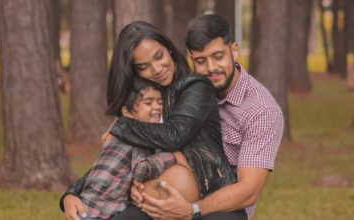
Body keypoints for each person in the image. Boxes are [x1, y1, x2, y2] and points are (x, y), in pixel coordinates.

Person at [60, 20, 247, 220]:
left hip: (209, 201)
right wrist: (72, 192)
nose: (157, 69)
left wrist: (122, 125)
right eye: (143, 66)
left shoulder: (195, 87)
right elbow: (116, 157)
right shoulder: (145, 107)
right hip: (152, 207)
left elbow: (173, 135)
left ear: (169, 50)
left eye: (159, 56)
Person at [131, 14, 284, 220]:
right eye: (201, 61)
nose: (211, 68)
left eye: (218, 56)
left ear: (234, 50)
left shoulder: (260, 110)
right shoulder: (188, 89)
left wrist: (191, 209)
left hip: (221, 209)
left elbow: (248, 191)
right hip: (171, 188)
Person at [70, 78, 182, 220]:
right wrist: (172, 157)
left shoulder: (116, 134)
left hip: (86, 206)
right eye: (148, 102)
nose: (157, 107)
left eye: (160, 102)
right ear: (127, 112)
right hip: (98, 212)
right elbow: (141, 170)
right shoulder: (138, 136)